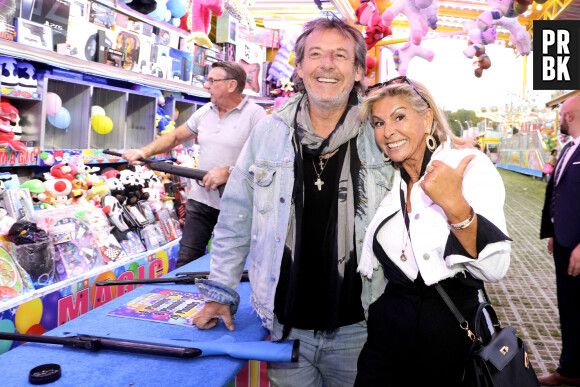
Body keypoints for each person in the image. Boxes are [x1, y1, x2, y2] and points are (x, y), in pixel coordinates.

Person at [191, 17, 393, 386]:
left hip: (362, 329)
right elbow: (237, 215)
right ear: (299, 68)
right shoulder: (268, 133)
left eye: (340, 55)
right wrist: (221, 291)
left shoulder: (381, 134)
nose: (326, 64)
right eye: (315, 54)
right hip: (286, 328)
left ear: (360, 70)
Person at [354, 77, 511, 385]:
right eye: (378, 123)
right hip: (388, 339)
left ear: (426, 119)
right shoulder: (394, 183)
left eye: (399, 117)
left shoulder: (467, 166)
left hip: (449, 337)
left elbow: (495, 267)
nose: (387, 132)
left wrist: (455, 206)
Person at [122, 61, 267, 268]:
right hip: (201, 200)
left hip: (238, 203)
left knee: (229, 264)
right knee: (186, 261)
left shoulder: (256, 115)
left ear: (232, 85)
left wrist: (229, 172)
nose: (206, 85)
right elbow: (174, 137)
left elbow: (263, 157)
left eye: (212, 80)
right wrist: (143, 152)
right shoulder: (205, 111)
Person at [539, 96, 580, 386]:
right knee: (569, 307)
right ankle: (570, 370)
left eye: (562, 115)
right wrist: (554, 230)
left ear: (571, 115)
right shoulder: (568, 148)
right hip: (565, 243)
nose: (559, 120)